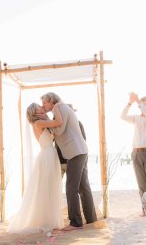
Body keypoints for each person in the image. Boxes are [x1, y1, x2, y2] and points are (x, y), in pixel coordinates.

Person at [41, 92, 97, 231]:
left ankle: (75, 222)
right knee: (84, 186)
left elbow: (59, 131)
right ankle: (91, 219)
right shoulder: (61, 108)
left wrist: (46, 124)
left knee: (71, 187)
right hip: (80, 151)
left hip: (75, 153)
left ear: (51, 100)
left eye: (44, 103)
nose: (43, 106)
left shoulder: (60, 108)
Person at [7, 102, 64, 234]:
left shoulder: (40, 122)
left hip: (50, 154)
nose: (42, 107)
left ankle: (50, 219)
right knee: (46, 188)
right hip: (47, 155)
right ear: (35, 111)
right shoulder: (38, 123)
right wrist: (55, 108)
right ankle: (46, 220)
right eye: (39, 107)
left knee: (50, 187)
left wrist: (46, 116)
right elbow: (58, 122)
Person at [121, 92, 146, 216]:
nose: (142, 107)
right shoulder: (136, 119)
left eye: (144, 105)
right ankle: (145, 210)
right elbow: (122, 116)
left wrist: (138, 101)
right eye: (141, 105)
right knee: (141, 184)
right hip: (136, 153)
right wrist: (130, 103)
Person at [56, 103, 87, 178]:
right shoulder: (57, 124)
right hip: (59, 158)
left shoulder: (78, 124)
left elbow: (83, 140)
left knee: (74, 182)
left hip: (73, 159)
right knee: (57, 182)